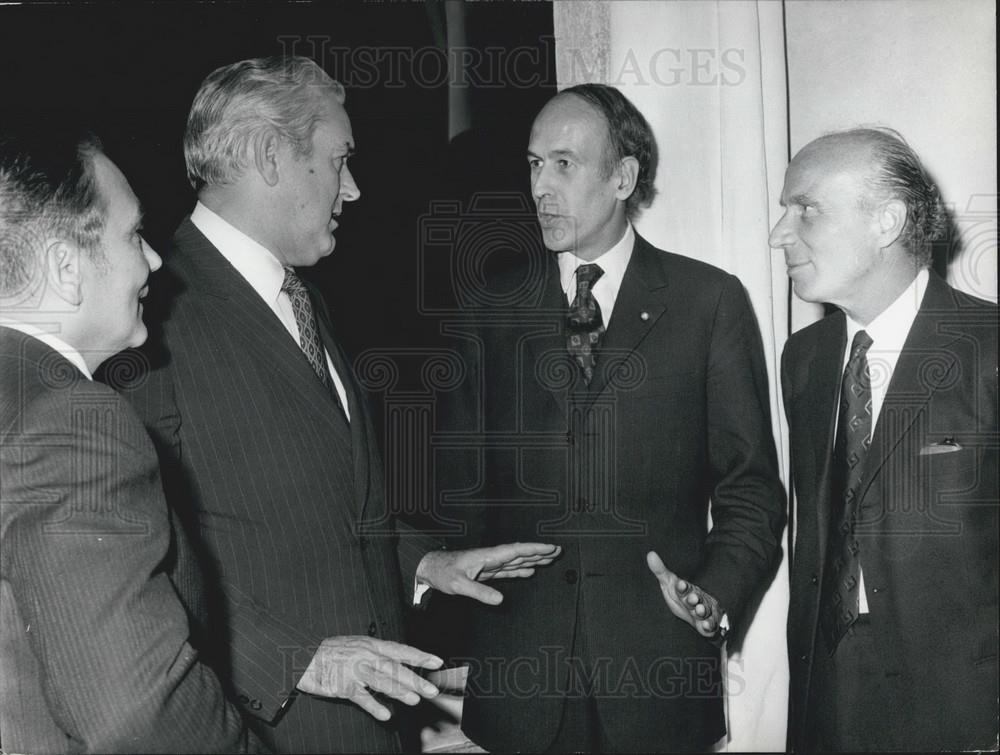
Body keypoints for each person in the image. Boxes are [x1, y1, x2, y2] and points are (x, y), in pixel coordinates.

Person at [117, 55, 559, 753]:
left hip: (372, 722)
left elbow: (330, 510)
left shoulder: (304, 299)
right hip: (269, 727)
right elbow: (141, 563)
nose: (352, 189)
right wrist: (297, 659)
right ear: (270, 156)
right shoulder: (151, 319)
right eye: (339, 159)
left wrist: (424, 564)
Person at [436, 83, 785, 753]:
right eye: (534, 164)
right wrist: (456, 623)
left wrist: (714, 594)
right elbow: (458, 489)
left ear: (623, 176)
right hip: (520, 678)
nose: (541, 185)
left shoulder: (708, 301)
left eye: (563, 163)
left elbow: (750, 489)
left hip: (658, 673)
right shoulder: (491, 306)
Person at [0, 128, 258, 752]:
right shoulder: (68, 421)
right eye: (133, 234)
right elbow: (140, 716)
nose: (154, 261)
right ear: (67, 269)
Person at [771, 127, 998, 751]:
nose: (780, 234)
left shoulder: (988, 349)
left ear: (887, 221)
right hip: (827, 694)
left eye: (805, 210)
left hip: (963, 709)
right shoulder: (805, 358)